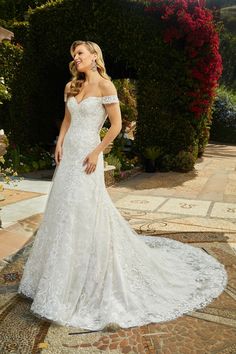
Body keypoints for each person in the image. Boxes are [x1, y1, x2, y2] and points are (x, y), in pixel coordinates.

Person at [18, 40, 228, 331]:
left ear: (94, 57)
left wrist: (97, 151)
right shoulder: (72, 86)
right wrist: (60, 142)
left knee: (87, 209)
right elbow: (67, 119)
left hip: (89, 156)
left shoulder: (107, 86)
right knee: (63, 210)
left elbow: (116, 125)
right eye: (73, 55)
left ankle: (90, 273)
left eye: (80, 53)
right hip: (69, 157)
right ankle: (56, 277)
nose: (76, 57)